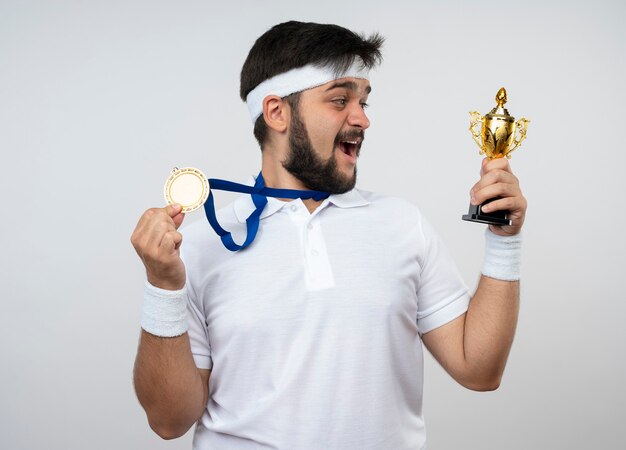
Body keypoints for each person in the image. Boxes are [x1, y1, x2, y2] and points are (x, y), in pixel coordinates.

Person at [131, 21, 526, 450]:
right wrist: (163, 287)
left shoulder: (402, 224)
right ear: (276, 112)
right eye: (340, 100)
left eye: (363, 102)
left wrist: (505, 239)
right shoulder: (203, 244)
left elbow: (479, 370)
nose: (362, 119)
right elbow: (170, 421)